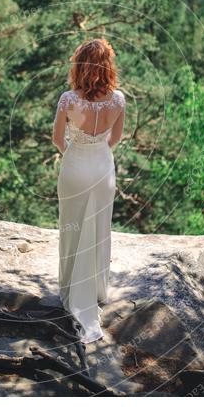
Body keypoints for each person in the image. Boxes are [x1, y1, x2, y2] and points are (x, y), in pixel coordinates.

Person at [52, 38, 125, 344]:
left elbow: (58, 140)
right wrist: (96, 151)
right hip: (103, 170)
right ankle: (95, 291)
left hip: (75, 171)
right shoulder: (118, 100)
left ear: (79, 65)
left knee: (72, 229)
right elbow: (115, 140)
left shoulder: (69, 100)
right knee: (98, 229)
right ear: (108, 66)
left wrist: (77, 152)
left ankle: (70, 289)